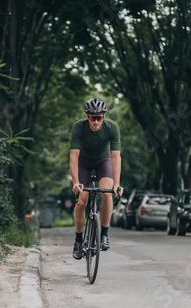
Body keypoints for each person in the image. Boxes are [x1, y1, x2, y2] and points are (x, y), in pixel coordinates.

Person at [69, 98, 124, 260]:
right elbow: (73, 157)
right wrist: (75, 183)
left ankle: (104, 234)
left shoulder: (112, 127)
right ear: (87, 117)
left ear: (104, 116)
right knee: (82, 201)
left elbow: (116, 158)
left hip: (103, 160)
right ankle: (78, 240)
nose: (95, 121)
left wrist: (117, 184)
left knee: (106, 194)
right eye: (92, 118)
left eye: (99, 117)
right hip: (83, 162)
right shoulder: (78, 127)